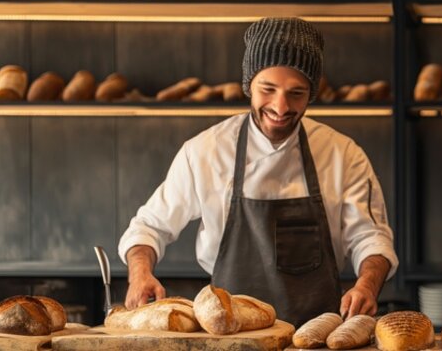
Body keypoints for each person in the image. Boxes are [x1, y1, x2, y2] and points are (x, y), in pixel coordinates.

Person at [117, 17, 398, 326]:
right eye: (268, 89)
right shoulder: (205, 151)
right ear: (249, 84)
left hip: (318, 333)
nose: (280, 107)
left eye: (296, 93)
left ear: (312, 93)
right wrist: (140, 273)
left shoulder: (343, 155)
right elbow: (150, 226)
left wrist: (367, 285)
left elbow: (371, 237)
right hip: (229, 333)